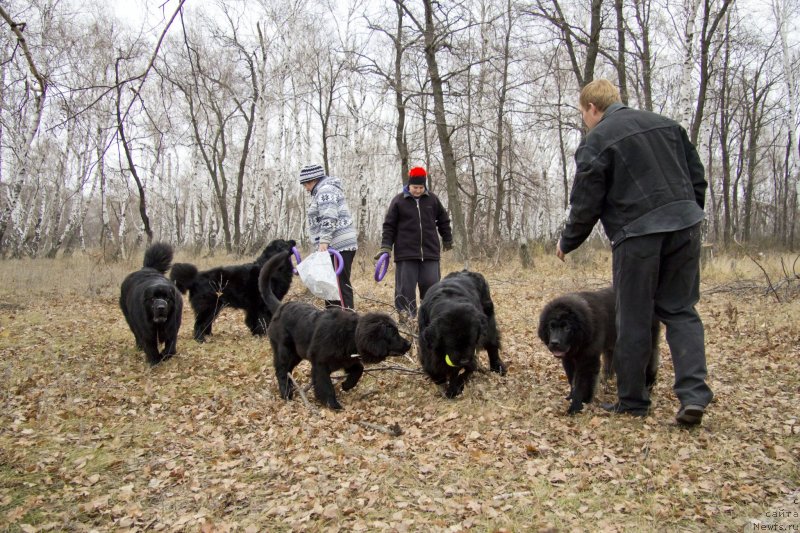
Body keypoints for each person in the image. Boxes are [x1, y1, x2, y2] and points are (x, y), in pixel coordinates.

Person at [556, 79, 713, 426]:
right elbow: (697, 178)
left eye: (583, 114)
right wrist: (688, 215)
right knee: (681, 310)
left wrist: (568, 241)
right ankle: (694, 395)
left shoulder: (597, 139)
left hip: (638, 234)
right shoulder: (667, 126)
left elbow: (586, 201)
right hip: (685, 226)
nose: (585, 121)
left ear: (592, 108)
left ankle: (633, 401)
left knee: (633, 316)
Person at [375, 166, 453, 320]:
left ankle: (430, 320)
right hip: (406, 254)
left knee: (432, 288)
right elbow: (389, 226)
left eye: (420, 187)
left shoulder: (432, 200)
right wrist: (386, 246)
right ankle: (406, 320)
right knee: (405, 290)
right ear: (409, 185)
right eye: (415, 187)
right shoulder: (398, 201)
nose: (417, 190)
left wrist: (447, 238)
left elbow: (443, 220)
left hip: (430, 253)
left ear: (424, 186)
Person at [299, 163, 358, 309]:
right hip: (334, 245)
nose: (306, 188)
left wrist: (324, 241)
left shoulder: (325, 191)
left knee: (339, 286)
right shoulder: (325, 190)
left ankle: (348, 319)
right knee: (331, 287)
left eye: (306, 184)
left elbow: (329, 216)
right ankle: (332, 319)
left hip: (337, 246)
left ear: (313, 180)